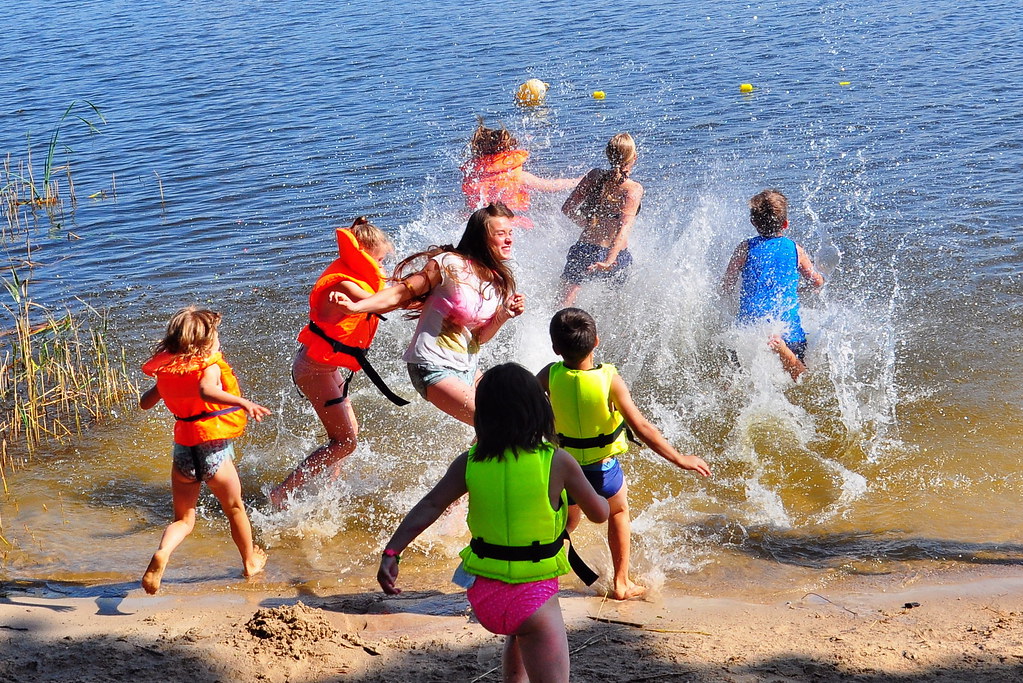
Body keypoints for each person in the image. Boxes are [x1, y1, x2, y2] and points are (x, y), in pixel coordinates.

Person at [377, 363, 609, 683]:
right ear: (540, 409)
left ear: (483, 415)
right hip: (533, 601)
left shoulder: (470, 461)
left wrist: (392, 553)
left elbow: (430, 505)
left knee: (519, 631)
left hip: (485, 599)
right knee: (537, 640)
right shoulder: (556, 460)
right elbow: (600, 514)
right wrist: (593, 494)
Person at [537, 308, 712, 601]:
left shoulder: (548, 375)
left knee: (566, 517)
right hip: (602, 471)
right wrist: (680, 458)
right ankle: (621, 582)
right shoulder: (609, 380)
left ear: (555, 348)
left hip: (564, 469)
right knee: (618, 512)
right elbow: (642, 427)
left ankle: (544, 574)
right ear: (596, 342)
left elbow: (525, 400)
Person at [332, 203, 525, 425]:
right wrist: (357, 307)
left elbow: (479, 338)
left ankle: (481, 457)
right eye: (501, 234)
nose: (509, 239)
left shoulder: (496, 279)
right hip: (432, 367)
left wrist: (503, 315)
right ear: (482, 237)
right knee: (497, 424)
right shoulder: (448, 264)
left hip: (469, 368)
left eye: (510, 233)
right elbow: (399, 294)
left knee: (515, 418)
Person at [269, 217, 400, 508]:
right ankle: (280, 494)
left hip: (322, 366)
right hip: (314, 370)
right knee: (345, 442)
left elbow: (386, 291)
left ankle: (330, 490)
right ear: (362, 254)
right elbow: (385, 302)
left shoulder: (355, 274)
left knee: (346, 436)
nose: (381, 267)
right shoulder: (345, 285)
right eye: (378, 260)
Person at [139, 307, 270, 594]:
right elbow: (206, 390)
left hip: (184, 451)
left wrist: (163, 387)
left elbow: (145, 403)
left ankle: (163, 552)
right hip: (213, 450)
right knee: (235, 508)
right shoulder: (207, 366)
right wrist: (243, 402)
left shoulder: (166, 371)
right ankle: (249, 561)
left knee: (183, 519)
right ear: (205, 343)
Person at [722, 189, 825, 381]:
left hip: (750, 329)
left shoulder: (744, 248)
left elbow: (726, 285)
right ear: (785, 224)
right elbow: (816, 281)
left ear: (753, 223)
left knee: (737, 375)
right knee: (800, 379)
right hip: (788, 329)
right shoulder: (795, 249)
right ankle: (783, 350)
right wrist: (806, 288)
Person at [558, 132, 643, 306]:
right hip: (616, 255)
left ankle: (551, 331)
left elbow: (567, 209)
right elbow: (624, 227)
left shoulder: (594, 175)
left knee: (563, 303)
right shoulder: (633, 189)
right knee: (616, 306)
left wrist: (587, 224)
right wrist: (609, 260)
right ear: (634, 157)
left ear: (608, 155)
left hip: (584, 248)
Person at [461, 118, 579, 230]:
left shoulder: (474, 177)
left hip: (480, 226)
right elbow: (550, 186)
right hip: (511, 226)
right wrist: (578, 181)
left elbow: (470, 207)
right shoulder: (517, 176)